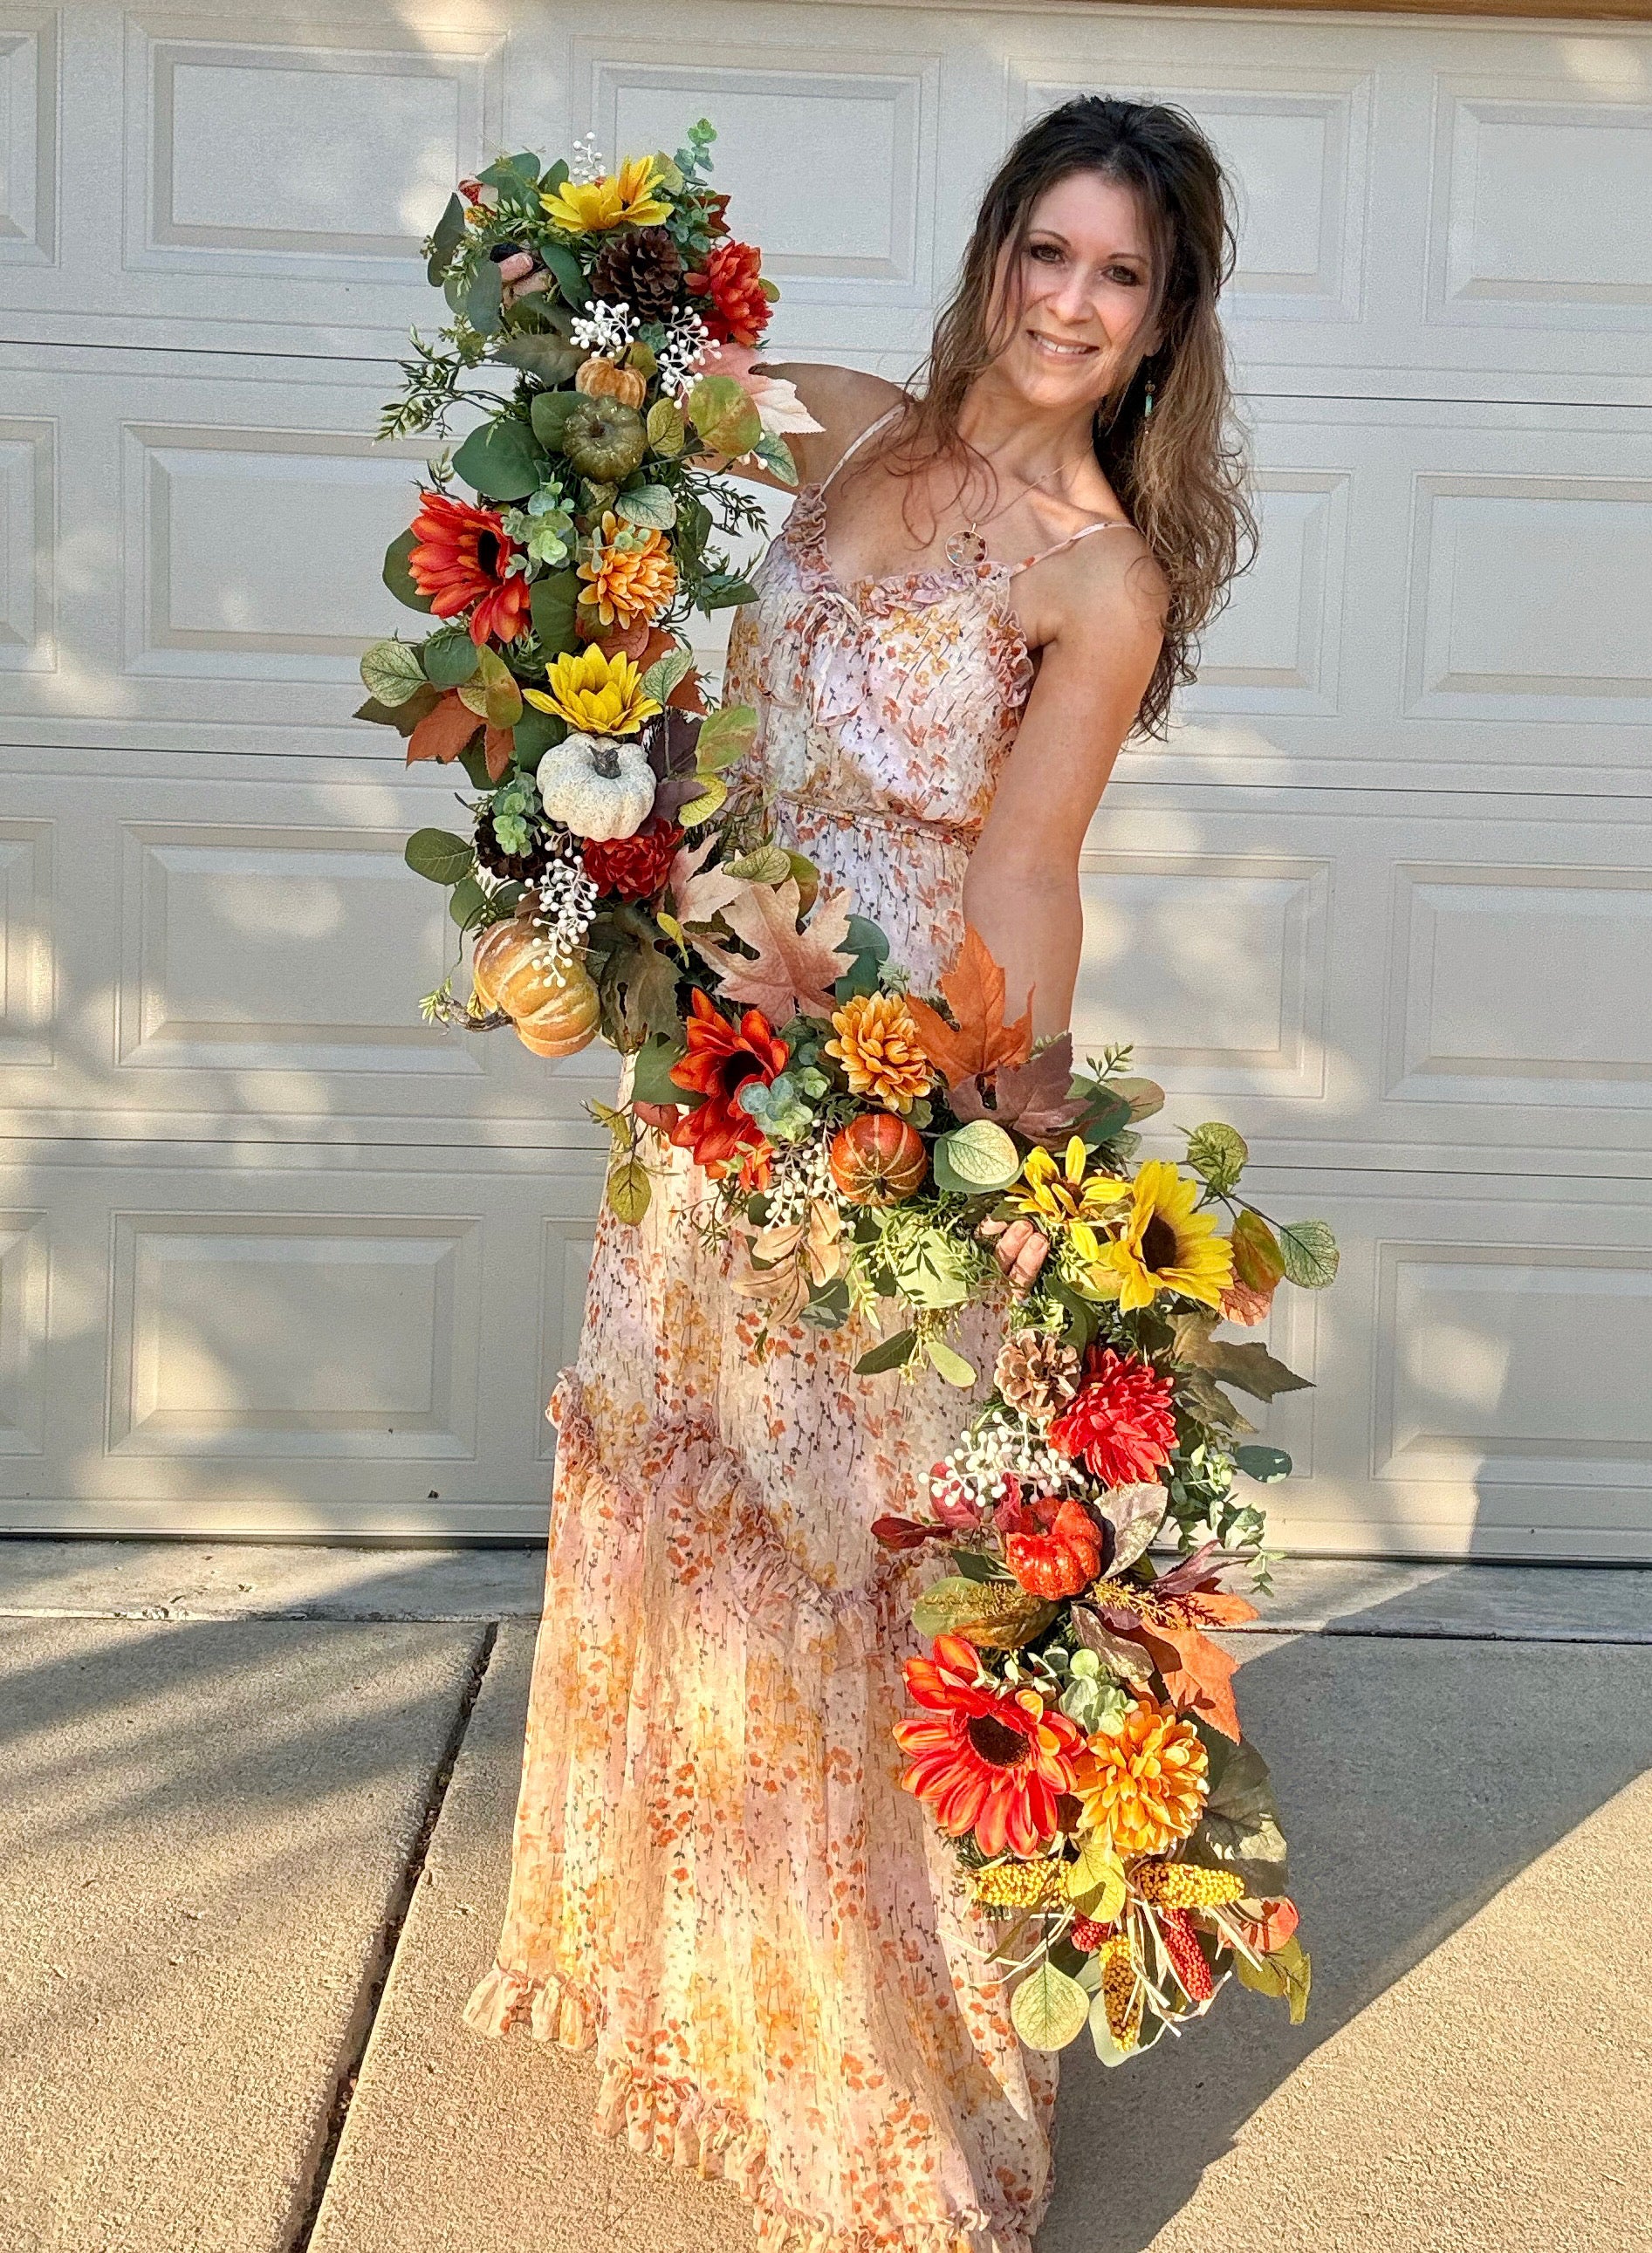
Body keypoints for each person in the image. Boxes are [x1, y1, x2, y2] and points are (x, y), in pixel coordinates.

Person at [466, 93, 1255, 2253]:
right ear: (995, 248)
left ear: (1165, 316)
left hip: (865, 1065)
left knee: (842, 1528)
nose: (1070, 301)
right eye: (1046, 250)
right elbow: (617, 410)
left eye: (1120, 272)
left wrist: (1029, 1157)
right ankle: (687, 1982)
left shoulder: (1101, 570)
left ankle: (862, 2044)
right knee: (685, 1472)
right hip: (700, 1026)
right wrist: (554, 294)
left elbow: (1024, 862)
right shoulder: (844, 432)